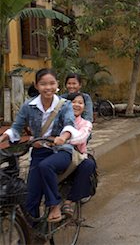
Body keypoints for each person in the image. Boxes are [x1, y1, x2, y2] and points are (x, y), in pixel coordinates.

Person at [0, 68, 80, 222]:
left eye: (51, 83)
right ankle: (32, 235)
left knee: (46, 166)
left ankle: (54, 203)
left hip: (61, 151)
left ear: (57, 85)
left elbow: (69, 125)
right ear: (36, 86)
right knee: (30, 198)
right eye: (43, 84)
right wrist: (3, 137)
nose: (48, 87)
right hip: (39, 152)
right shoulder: (28, 106)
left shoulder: (65, 105)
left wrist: (63, 137)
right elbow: (16, 128)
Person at [61, 92, 96, 217]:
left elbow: (81, 138)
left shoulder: (86, 124)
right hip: (58, 155)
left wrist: (60, 140)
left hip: (76, 158)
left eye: (80, 103)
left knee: (88, 165)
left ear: (84, 107)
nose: (76, 105)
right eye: (73, 102)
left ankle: (69, 201)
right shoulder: (59, 120)